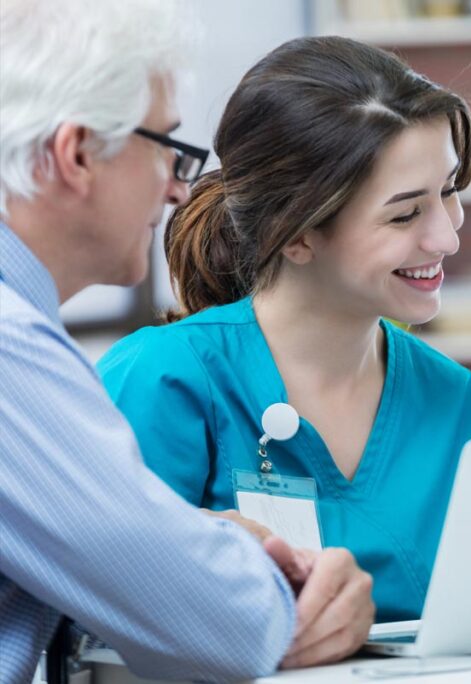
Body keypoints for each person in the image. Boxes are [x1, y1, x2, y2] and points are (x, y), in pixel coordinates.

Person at [0, 2, 373, 681]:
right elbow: (222, 627)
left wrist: (207, 545)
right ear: (77, 153)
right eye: (164, 147)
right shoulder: (9, 349)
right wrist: (275, 589)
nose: (178, 188)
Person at [97, 36, 471, 623]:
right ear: (298, 233)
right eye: (406, 213)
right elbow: (105, 614)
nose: (447, 237)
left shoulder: (453, 399)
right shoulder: (164, 379)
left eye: (449, 192)